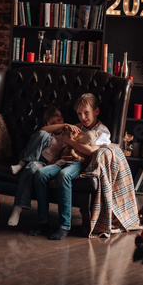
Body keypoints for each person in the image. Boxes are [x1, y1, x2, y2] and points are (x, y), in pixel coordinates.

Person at [33, 93, 111, 240]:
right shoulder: (75, 127)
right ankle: (43, 222)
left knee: (64, 175)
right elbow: (63, 147)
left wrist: (70, 141)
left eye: (86, 112)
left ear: (96, 111)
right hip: (63, 160)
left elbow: (89, 150)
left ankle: (64, 226)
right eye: (79, 114)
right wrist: (55, 158)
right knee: (40, 174)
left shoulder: (102, 131)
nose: (83, 117)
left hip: (82, 163)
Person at [7, 105, 71, 227]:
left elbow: (68, 154)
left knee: (31, 168)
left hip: (45, 163)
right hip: (35, 155)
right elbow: (44, 129)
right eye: (53, 122)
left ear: (63, 118)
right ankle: (21, 164)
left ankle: (17, 208)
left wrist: (57, 163)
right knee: (42, 134)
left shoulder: (67, 134)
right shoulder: (49, 132)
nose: (57, 124)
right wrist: (63, 125)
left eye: (59, 120)